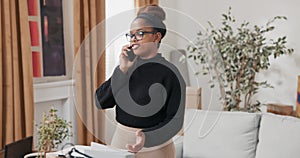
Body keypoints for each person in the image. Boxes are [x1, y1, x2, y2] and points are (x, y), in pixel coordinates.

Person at [95, 4, 185, 158]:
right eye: (131, 35)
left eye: (140, 33)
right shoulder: (126, 67)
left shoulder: (170, 74)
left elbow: (175, 121)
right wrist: (122, 70)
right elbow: (101, 102)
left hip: (155, 149)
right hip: (120, 143)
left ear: (157, 37)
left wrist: (147, 137)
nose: (134, 39)